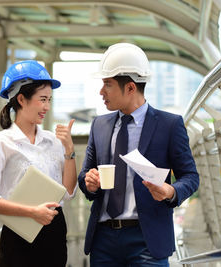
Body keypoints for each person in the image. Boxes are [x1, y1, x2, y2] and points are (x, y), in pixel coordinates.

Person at [78, 43, 199, 266]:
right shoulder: (99, 125)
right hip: (103, 240)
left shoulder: (169, 125)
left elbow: (191, 176)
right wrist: (89, 181)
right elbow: (86, 174)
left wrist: (170, 191)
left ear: (131, 88)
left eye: (107, 85)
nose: (101, 92)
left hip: (147, 239)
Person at [0, 60, 77, 267]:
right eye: (42, 100)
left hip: (54, 232)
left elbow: (68, 192)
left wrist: (69, 150)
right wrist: (32, 212)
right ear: (21, 99)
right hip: (19, 234)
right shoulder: (1, 143)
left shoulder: (54, 141)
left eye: (49, 100)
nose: (47, 107)